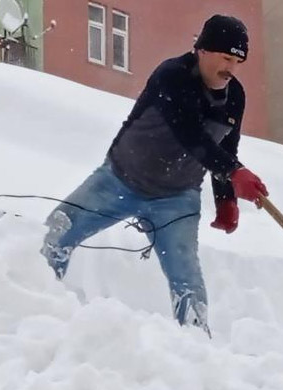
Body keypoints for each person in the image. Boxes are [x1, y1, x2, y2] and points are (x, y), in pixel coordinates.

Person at [40, 14, 268, 336]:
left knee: (187, 279)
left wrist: (226, 199)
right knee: (57, 232)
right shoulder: (173, 75)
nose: (231, 68)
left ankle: (196, 346)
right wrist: (234, 172)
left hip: (176, 200)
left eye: (238, 61)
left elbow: (226, 148)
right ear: (203, 50)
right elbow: (189, 134)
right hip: (119, 179)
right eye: (226, 58)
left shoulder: (235, 96)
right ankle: (33, 307)